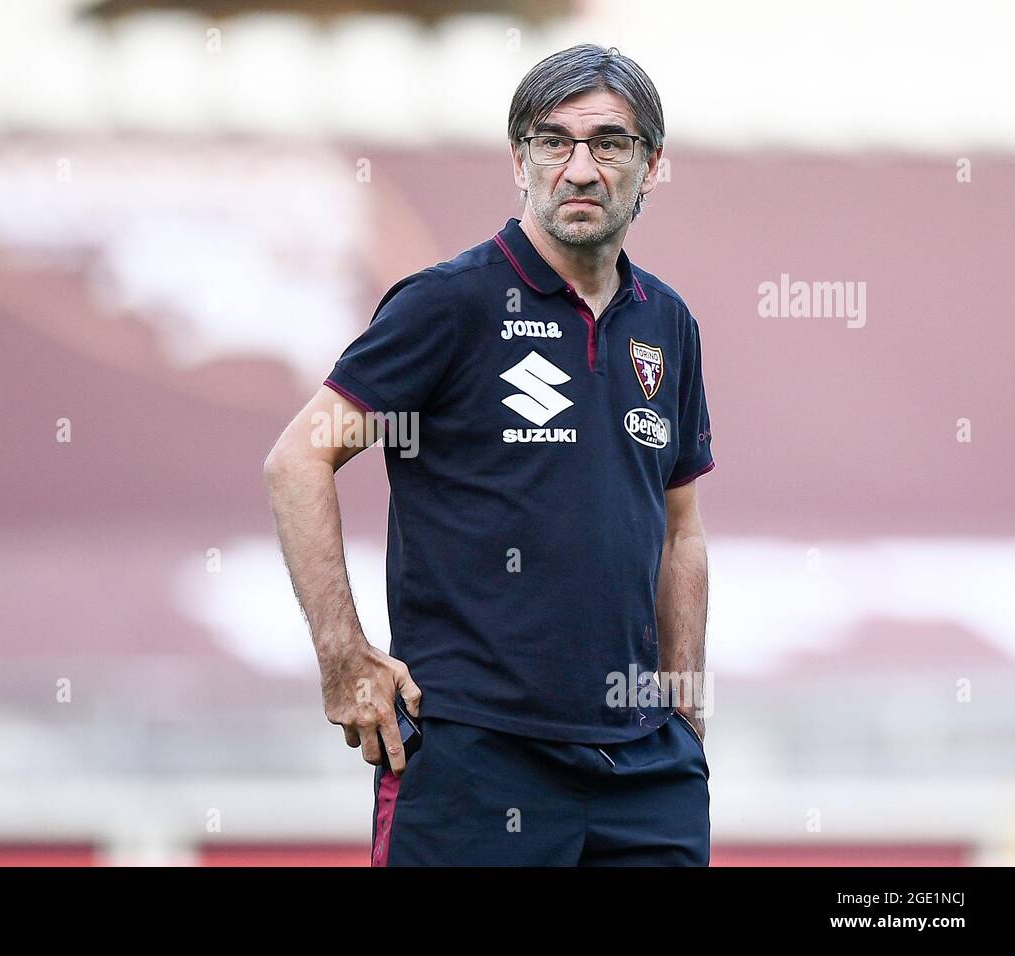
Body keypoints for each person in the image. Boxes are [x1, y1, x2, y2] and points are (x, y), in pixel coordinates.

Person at [263, 43, 716, 866]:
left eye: (611, 143)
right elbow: (297, 461)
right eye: (554, 142)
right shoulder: (451, 302)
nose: (580, 169)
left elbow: (681, 527)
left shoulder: (668, 323)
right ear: (520, 159)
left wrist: (684, 705)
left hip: (646, 769)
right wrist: (343, 659)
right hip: (478, 761)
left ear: (651, 165)